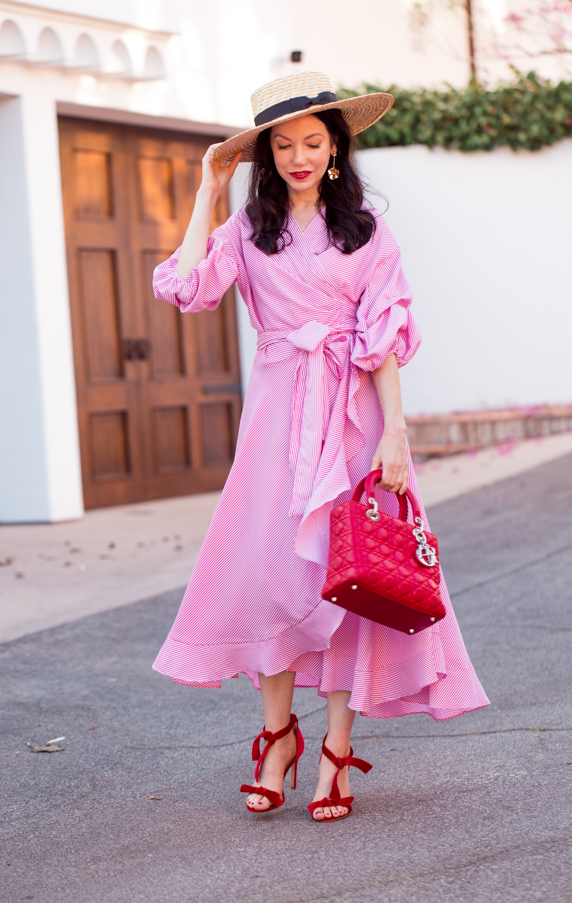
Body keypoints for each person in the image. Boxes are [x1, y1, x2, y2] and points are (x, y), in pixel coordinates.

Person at [152, 72, 489, 822]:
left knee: (348, 580)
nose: (299, 155)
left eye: (312, 140)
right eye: (283, 144)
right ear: (265, 154)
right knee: (270, 577)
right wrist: (209, 192)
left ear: (335, 146)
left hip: (354, 418)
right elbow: (184, 287)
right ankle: (277, 737)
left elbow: (386, 339)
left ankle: (336, 749)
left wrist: (394, 432)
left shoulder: (366, 229)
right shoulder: (247, 229)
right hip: (276, 421)